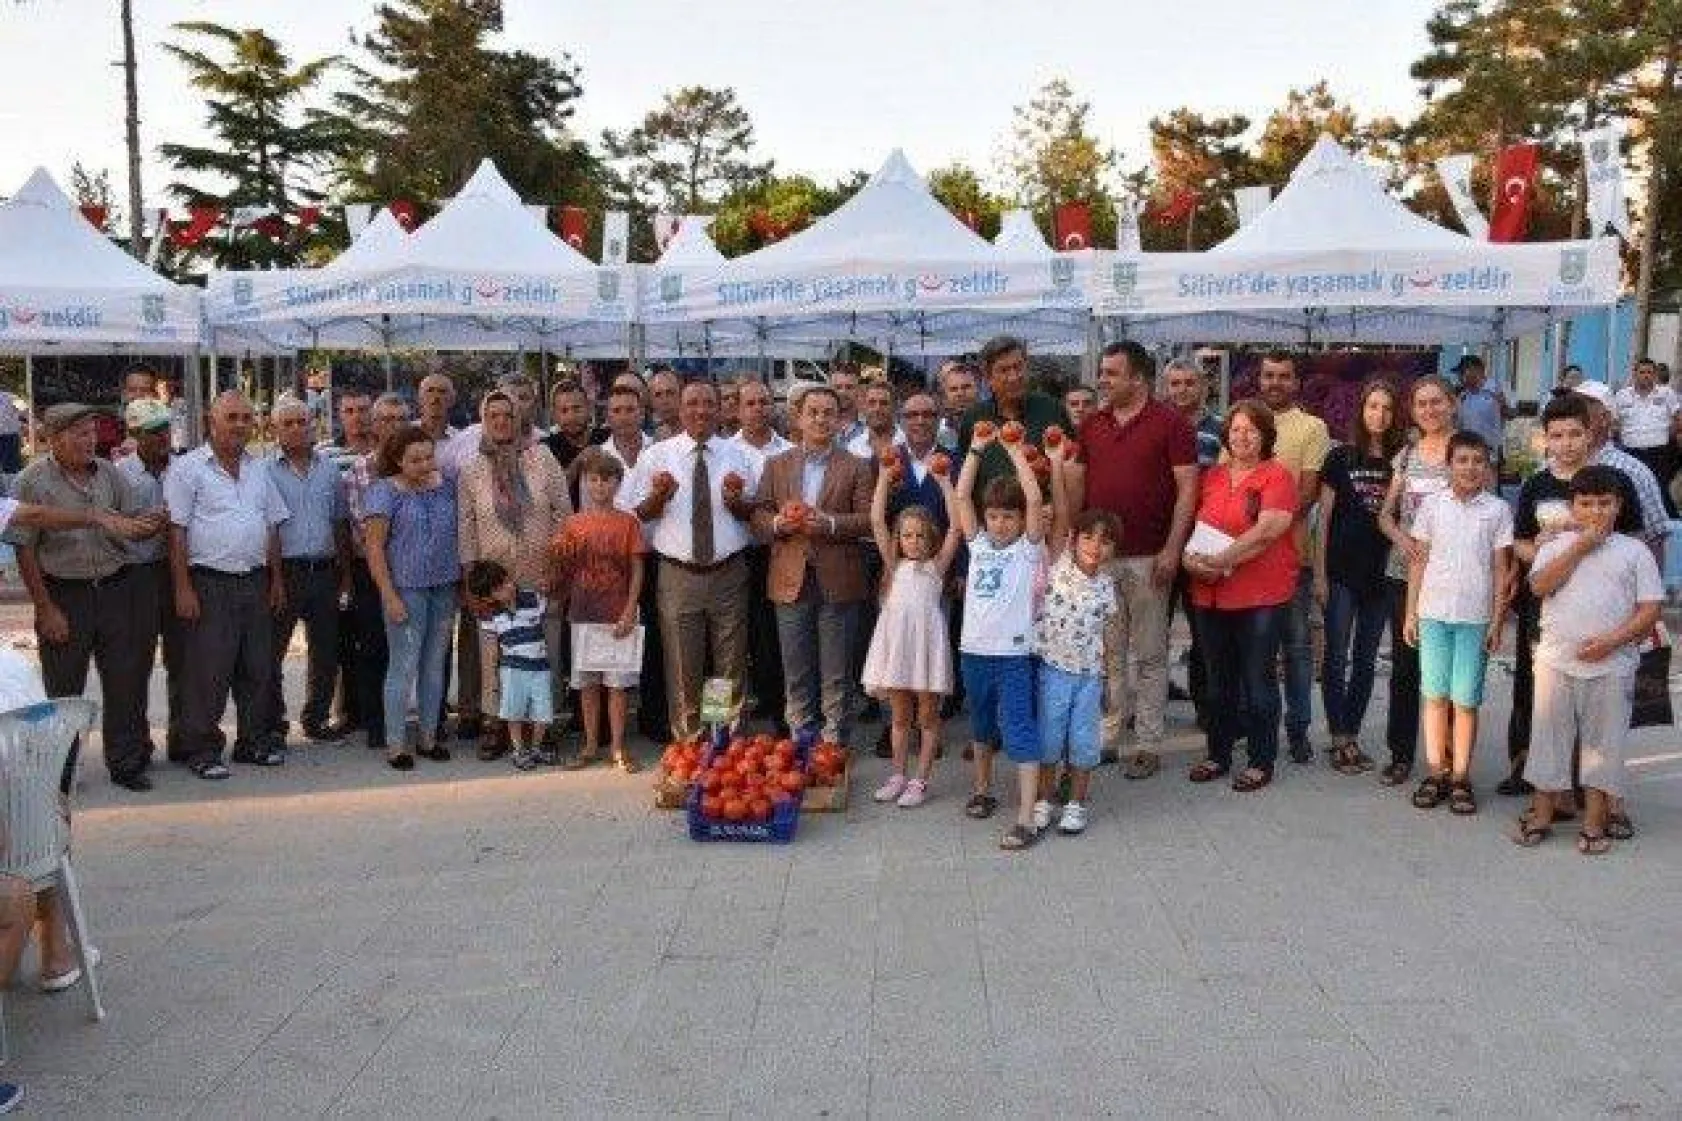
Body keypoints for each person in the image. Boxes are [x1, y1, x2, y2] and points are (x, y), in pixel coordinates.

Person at [1511, 467, 1664, 855]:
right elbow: (1539, 585)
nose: (1595, 512)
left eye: (1604, 503)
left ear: (1618, 506)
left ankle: (1595, 821)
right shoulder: (1555, 545)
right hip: (1555, 660)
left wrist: (1611, 642)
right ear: (1572, 507)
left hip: (1612, 663)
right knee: (1548, 737)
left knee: (1602, 744)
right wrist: (1578, 547)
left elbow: (1649, 611)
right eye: (1586, 504)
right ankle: (1543, 812)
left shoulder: (1634, 551)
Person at [9, 404, 162, 790]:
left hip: (115, 588)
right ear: (54, 439)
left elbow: (128, 526)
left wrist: (148, 525)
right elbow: (25, 549)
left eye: (92, 432)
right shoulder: (32, 481)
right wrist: (45, 608)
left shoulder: (109, 473)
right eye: (79, 433)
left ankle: (126, 763)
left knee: (125, 681)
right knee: (64, 689)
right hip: (65, 594)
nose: (89, 440)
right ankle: (61, 771)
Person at [1066, 341, 1197, 778]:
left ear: (1138, 378)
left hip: (1149, 558)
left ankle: (1148, 742)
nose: (1102, 380)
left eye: (1111, 373)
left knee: (1151, 654)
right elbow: (1079, 487)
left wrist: (1172, 549)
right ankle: (1109, 733)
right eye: (1102, 372)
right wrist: (1073, 545)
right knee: (1108, 654)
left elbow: (1188, 492)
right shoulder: (1092, 424)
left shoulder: (1171, 424)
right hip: (1099, 559)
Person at [1504, 395, 1642, 799]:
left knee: (1598, 697)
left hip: (1602, 609)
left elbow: (1632, 541)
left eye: (1574, 434)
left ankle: (1592, 785)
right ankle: (1530, 773)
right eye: (1557, 436)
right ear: (1545, 440)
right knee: (1535, 692)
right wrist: (1546, 552)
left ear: (1590, 433)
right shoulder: (1536, 485)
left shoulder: (1613, 484)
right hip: (1545, 605)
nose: (1566, 443)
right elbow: (1520, 543)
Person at [620, 381, 758, 739]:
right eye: (693, 403)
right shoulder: (657, 456)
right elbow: (639, 515)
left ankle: (721, 738)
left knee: (726, 666)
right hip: (678, 575)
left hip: (728, 572)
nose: (701, 410)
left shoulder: (737, 455)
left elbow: (753, 514)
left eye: (708, 403)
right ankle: (690, 741)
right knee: (683, 665)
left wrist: (736, 502)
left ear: (719, 409)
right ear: (680, 410)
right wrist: (658, 496)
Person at [166, 391, 291, 779]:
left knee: (256, 667)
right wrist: (183, 588)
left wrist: (276, 581)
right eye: (232, 417)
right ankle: (201, 750)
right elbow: (176, 532)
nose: (240, 424)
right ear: (211, 421)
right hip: (209, 583)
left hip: (255, 582)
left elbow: (271, 526)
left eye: (246, 417)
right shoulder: (187, 469)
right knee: (209, 671)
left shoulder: (260, 470)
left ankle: (252, 743)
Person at [1183, 401, 1299, 793]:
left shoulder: (1277, 476)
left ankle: (1261, 760)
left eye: (1251, 429)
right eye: (1235, 429)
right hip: (1210, 594)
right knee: (1218, 682)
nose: (1242, 436)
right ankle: (1218, 754)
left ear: (1266, 434)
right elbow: (1197, 524)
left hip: (1260, 595)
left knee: (1258, 679)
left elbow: (1268, 530)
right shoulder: (1213, 476)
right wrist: (1190, 559)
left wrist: (1220, 559)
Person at [751, 388, 874, 745]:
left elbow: (868, 519)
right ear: (799, 417)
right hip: (790, 577)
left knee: (836, 671)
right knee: (796, 669)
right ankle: (801, 742)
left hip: (838, 577)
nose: (821, 419)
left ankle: (834, 744)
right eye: (814, 412)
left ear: (839, 419)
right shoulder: (776, 465)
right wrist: (777, 524)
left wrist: (831, 524)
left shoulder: (856, 465)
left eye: (828, 413)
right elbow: (758, 513)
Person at [457, 390, 572, 761]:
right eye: (493, 415)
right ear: (484, 420)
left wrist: (558, 565)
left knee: (545, 651)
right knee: (494, 653)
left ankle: (544, 724)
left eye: (508, 414)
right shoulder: (473, 468)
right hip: (493, 580)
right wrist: (471, 579)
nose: (501, 421)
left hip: (540, 575)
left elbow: (563, 514)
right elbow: (466, 525)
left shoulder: (543, 458)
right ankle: (495, 724)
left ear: (520, 417)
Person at [1402, 431, 1513, 817]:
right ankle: (1436, 772)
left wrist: (1498, 619)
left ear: (1488, 467)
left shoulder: (1497, 511)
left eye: (1478, 461)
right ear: (1449, 465)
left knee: (1464, 701)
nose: (1470, 468)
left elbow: (1501, 570)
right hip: (1433, 614)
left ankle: (1462, 775)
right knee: (1434, 697)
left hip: (1474, 619)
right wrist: (1410, 612)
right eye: (1462, 460)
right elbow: (1418, 560)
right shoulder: (1432, 507)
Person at [951, 425, 1046, 849]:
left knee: (1020, 728)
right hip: (974, 652)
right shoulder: (979, 545)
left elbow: (1036, 497)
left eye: (1009, 516)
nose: (1001, 523)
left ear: (1022, 519)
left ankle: (1026, 817)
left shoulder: (1027, 548)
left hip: (1013, 656)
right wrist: (974, 449)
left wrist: (1013, 451)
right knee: (982, 724)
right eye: (994, 516)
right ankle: (983, 789)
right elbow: (959, 496)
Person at [860, 444, 960, 808]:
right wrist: (885, 478)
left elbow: (957, 527)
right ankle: (898, 774)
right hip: (898, 646)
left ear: (929, 538)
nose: (913, 541)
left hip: (926, 649)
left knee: (927, 716)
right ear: (898, 539)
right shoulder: (893, 566)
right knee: (899, 717)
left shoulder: (936, 567)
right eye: (907, 535)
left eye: (920, 535)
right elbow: (874, 520)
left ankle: (921, 779)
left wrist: (946, 483)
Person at [1314, 380, 1405, 775]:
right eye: (1372, 407)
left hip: (1382, 575)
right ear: (1361, 410)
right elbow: (1324, 520)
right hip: (1340, 573)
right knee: (1336, 658)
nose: (1379, 415)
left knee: (1366, 660)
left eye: (1386, 408)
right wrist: (1318, 574)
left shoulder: (1402, 461)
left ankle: (1351, 733)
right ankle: (1337, 737)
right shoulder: (1339, 458)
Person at [1031, 441, 1120, 835]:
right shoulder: (1059, 563)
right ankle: (1044, 798)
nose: (1094, 547)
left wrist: (1105, 682)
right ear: (1074, 540)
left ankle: (1076, 803)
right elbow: (1063, 513)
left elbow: (1106, 638)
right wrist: (1054, 466)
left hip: (1087, 678)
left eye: (1104, 541)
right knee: (1049, 742)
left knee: (1084, 743)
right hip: (1053, 671)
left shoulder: (1107, 587)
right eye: (1088, 538)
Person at [1376, 375, 1458, 784]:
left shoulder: (1467, 451)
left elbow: (1488, 507)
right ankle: (1401, 753)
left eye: (1437, 402)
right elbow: (1385, 515)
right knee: (1406, 667)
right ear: (1413, 410)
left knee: (1447, 674)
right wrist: (1403, 540)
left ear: (1452, 404)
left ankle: (1446, 759)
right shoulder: (1406, 456)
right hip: (1405, 573)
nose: (1430, 410)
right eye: (1422, 403)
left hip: (1453, 577)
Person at [365, 425, 459, 770]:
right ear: (398, 461)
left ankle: (428, 737)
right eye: (415, 460)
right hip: (406, 588)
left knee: (434, 666)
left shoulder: (447, 487)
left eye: (428, 456)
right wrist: (389, 596)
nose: (424, 465)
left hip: (444, 587)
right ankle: (395, 744)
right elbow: (374, 548)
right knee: (403, 665)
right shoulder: (384, 492)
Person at [1254, 351, 1330, 763]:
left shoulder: (1312, 427)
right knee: (1255, 652)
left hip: (1292, 557)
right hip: (1248, 559)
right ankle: (1258, 727)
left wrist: (1265, 529)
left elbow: (1307, 491)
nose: (1276, 383)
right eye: (1269, 376)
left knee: (1297, 650)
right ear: (1259, 379)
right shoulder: (1244, 418)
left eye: (1284, 376)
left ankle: (1298, 730)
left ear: (1296, 382)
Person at [549, 449, 646, 770]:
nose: (600, 486)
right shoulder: (573, 523)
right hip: (583, 613)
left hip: (618, 612)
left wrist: (630, 609)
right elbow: (562, 568)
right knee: (588, 684)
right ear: (584, 483)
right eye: (593, 479)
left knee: (617, 686)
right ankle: (590, 745)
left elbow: (637, 570)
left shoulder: (629, 523)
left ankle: (618, 747)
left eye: (607, 479)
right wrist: (560, 555)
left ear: (618, 483)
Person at [266, 397, 352, 745]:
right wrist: (274, 580)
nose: (297, 429)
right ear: (274, 430)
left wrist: (345, 575)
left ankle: (316, 719)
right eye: (288, 424)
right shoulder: (264, 472)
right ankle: (273, 723)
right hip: (284, 571)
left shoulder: (329, 470)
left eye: (302, 421)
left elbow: (340, 524)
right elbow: (267, 528)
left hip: (325, 570)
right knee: (272, 651)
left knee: (325, 651)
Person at [114, 399, 186, 768]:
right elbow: (111, 528)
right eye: (153, 432)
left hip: (177, 572)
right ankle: (136, 742)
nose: (162, 437)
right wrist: (142, 526)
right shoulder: (119, 475)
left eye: (164, 429)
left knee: (183, 658)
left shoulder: (184, 468)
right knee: (135, 663)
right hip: (137, 575)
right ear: (135, 434)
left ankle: (183, 738)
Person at [342, 393, 409, 753]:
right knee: (375, 648)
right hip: (373, 572)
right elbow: (363, 531)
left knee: (420, 647)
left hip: (415, 574)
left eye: (401, 419)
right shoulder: (360, 470)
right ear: (375, 425)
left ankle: (425, 718)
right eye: (386, 420)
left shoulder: (421, 465)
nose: (394, 427)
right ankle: (377, 724)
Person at [1161, 357, 1222, 722]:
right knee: (1155, 629)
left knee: (1204, 630)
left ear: (1202, 386)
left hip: (1204, 540)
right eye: (1175, 383)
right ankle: (1151, 705)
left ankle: (1207, 707)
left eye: (1189, 382)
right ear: (1166, 387)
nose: (1182, 389)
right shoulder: (1158, 425)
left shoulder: (1222, 427)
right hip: (1164, 538)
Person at [729, 379, 793, 728]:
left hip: (777, 552)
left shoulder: (787, 450)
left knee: (775, 633)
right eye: (750, 403)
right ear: (738, 409)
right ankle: (726, 719)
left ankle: (778, 705)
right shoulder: (726, 450)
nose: (758, 409)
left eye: (763, 402)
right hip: (737, 553)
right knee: (735, 637)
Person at [317, 389, 376, 738]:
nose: (357, 416)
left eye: (363, 409)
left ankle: (372, 709)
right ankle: (344, 710)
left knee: (374, 638)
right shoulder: (325, 456)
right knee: (343, 638)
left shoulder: (387, 453)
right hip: (343, 560)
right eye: (350, 410)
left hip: (380, 560)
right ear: (340, 415)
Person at [957, 335, 1071, 498]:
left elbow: (1071, 467)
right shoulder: (974, 419)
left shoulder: (1052, 410)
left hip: (1043, 519)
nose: (1014, 376)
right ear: (988, 378)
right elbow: (964, 477)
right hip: (991, 520)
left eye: (1018, 367)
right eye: (1004, 370)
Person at [466, 560, 552, 771]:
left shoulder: (533, 599)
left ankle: (536, 748)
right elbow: (492, 648)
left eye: (507, 580)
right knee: (514, 711)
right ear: (487, 597)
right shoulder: (490, 615)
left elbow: (551, 604)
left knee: (543, 712)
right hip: (512, 670)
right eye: (500, 587)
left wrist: (548, 587)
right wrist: (495, 674)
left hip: (540, 668)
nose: (508, 587)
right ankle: (519, 750)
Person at [1611, 358, 1680, 516]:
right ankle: (1636, 522)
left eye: (1649, 372)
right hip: (1631, 452)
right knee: (1632, 488)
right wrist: (1620, 438)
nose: (1646, 375)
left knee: (1659, 488)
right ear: (1635, 374)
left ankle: (1671, 522)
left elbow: (1677, 418)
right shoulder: (1622, 396)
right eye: (1642, 372)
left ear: (1655, 375)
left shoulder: (1666, 393)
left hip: (1660, 452)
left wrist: (1667, 437)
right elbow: (1614, 422)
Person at [1453, 354, 1509, 465]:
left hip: (1488, 453)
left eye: (1462, 372)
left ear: (1476, 370)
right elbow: (1458, 424)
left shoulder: (1494, 391)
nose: (1459, 377)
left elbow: (1508, 415)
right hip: (1466, 451)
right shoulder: (1463, 395)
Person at [844, 375, 902, 460]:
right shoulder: (854, 448)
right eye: (872, 403)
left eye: (884, 403)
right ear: (864, 407)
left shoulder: (908, 443)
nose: (877, 408)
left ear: (894, 407)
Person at [936, 359, 979, 451]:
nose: (960, 393)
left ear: (977, 390)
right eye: (953, 389)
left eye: (966, 387)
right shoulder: (935, 433)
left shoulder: (992, 428)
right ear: (944, 396)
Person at [830, 362, 864, 448]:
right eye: (838, 387)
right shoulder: (820, 424)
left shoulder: (869, 426)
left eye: (849, 387)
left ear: (858, 390)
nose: (843, 392)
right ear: (830, 389)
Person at [647, 367, 682, 440]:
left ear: (681, 395)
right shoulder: (650, 437)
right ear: (651, 401)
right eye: (658, 395)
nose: (665, 401)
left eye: (670, 393)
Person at [0, 389, 21, 474]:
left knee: (11, 468)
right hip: (9, 436)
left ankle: (13, 486)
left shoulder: (12, 397)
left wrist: (36, 426)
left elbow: (26, 411)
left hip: (9, 437)